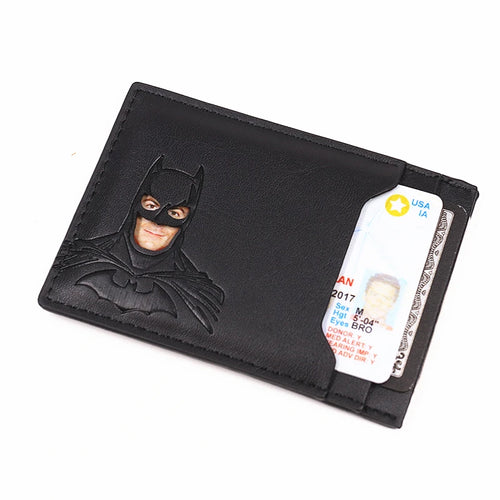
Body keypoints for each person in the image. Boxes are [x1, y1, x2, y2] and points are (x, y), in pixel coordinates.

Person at [56, 155, 224, 333]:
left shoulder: (199, 295)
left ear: (186, 221)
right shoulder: (79, 257)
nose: (158, 221)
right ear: (136, 207)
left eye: (174, 214)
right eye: (151, 206)